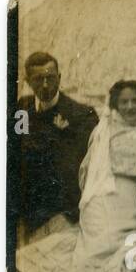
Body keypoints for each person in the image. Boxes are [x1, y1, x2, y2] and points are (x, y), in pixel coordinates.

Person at [44, 80, 136, 272]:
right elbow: (90, 170)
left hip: (134, 197)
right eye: (124, 102)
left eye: (135, 101)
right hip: (103, 192)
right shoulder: (105, 129)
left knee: (129, 241)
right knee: (99, 241)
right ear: (115, 105)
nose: (129, 107)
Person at [11, 52, 99, 233]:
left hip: (64, 212)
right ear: (27, 81)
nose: (45, 85)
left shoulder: (81, 115)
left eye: (50, 78)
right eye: (38, 79)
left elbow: (79, 166)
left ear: (59, 78)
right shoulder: (22, 109)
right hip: (29, 210)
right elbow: (17, 150)